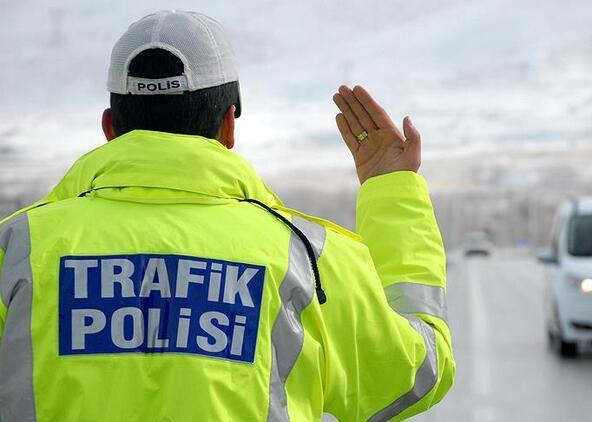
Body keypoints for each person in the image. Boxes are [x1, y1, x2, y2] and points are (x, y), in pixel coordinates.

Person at [0, 10, 454, 421]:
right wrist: (392, 189)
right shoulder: (303, 257)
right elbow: (413, 373)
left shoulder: (17, 248)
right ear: (229, 124)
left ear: (109, 127)